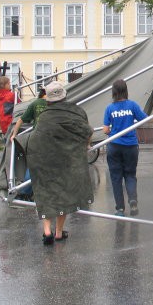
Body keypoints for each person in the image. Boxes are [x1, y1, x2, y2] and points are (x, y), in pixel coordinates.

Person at [26, 81, 94, 245]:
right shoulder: (75, 112)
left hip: (42, 159)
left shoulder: (44, 116)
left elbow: (36, 137)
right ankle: (58, 233)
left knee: (45, 193)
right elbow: (87, 132)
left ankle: (47, 231)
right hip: (66, 160)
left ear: (48, 100)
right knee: (63, 194)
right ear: (64, 96)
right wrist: (85, 146)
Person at [103, 79, 153, 217]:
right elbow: (147, 120)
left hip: (114, 146)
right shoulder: (132, 106)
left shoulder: (109, 108)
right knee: (130, 175)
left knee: (116, 178)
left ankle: (120, 209)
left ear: (114, 92)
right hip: (130, 146)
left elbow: (106, 130)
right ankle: (133, 201)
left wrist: (114, 128)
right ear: (126, 91)